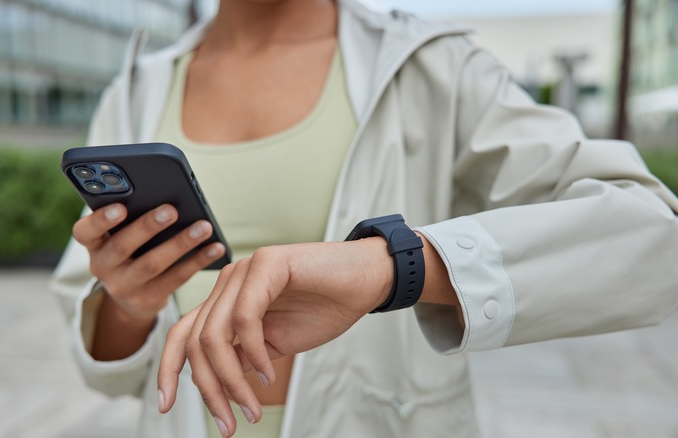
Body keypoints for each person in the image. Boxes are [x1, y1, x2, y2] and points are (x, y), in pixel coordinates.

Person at [50, 0, 678, 437]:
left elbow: (653, 233)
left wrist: (393, 264)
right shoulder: (134, 91)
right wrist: (129, 303)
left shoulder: (432, 67)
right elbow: (107, 370)